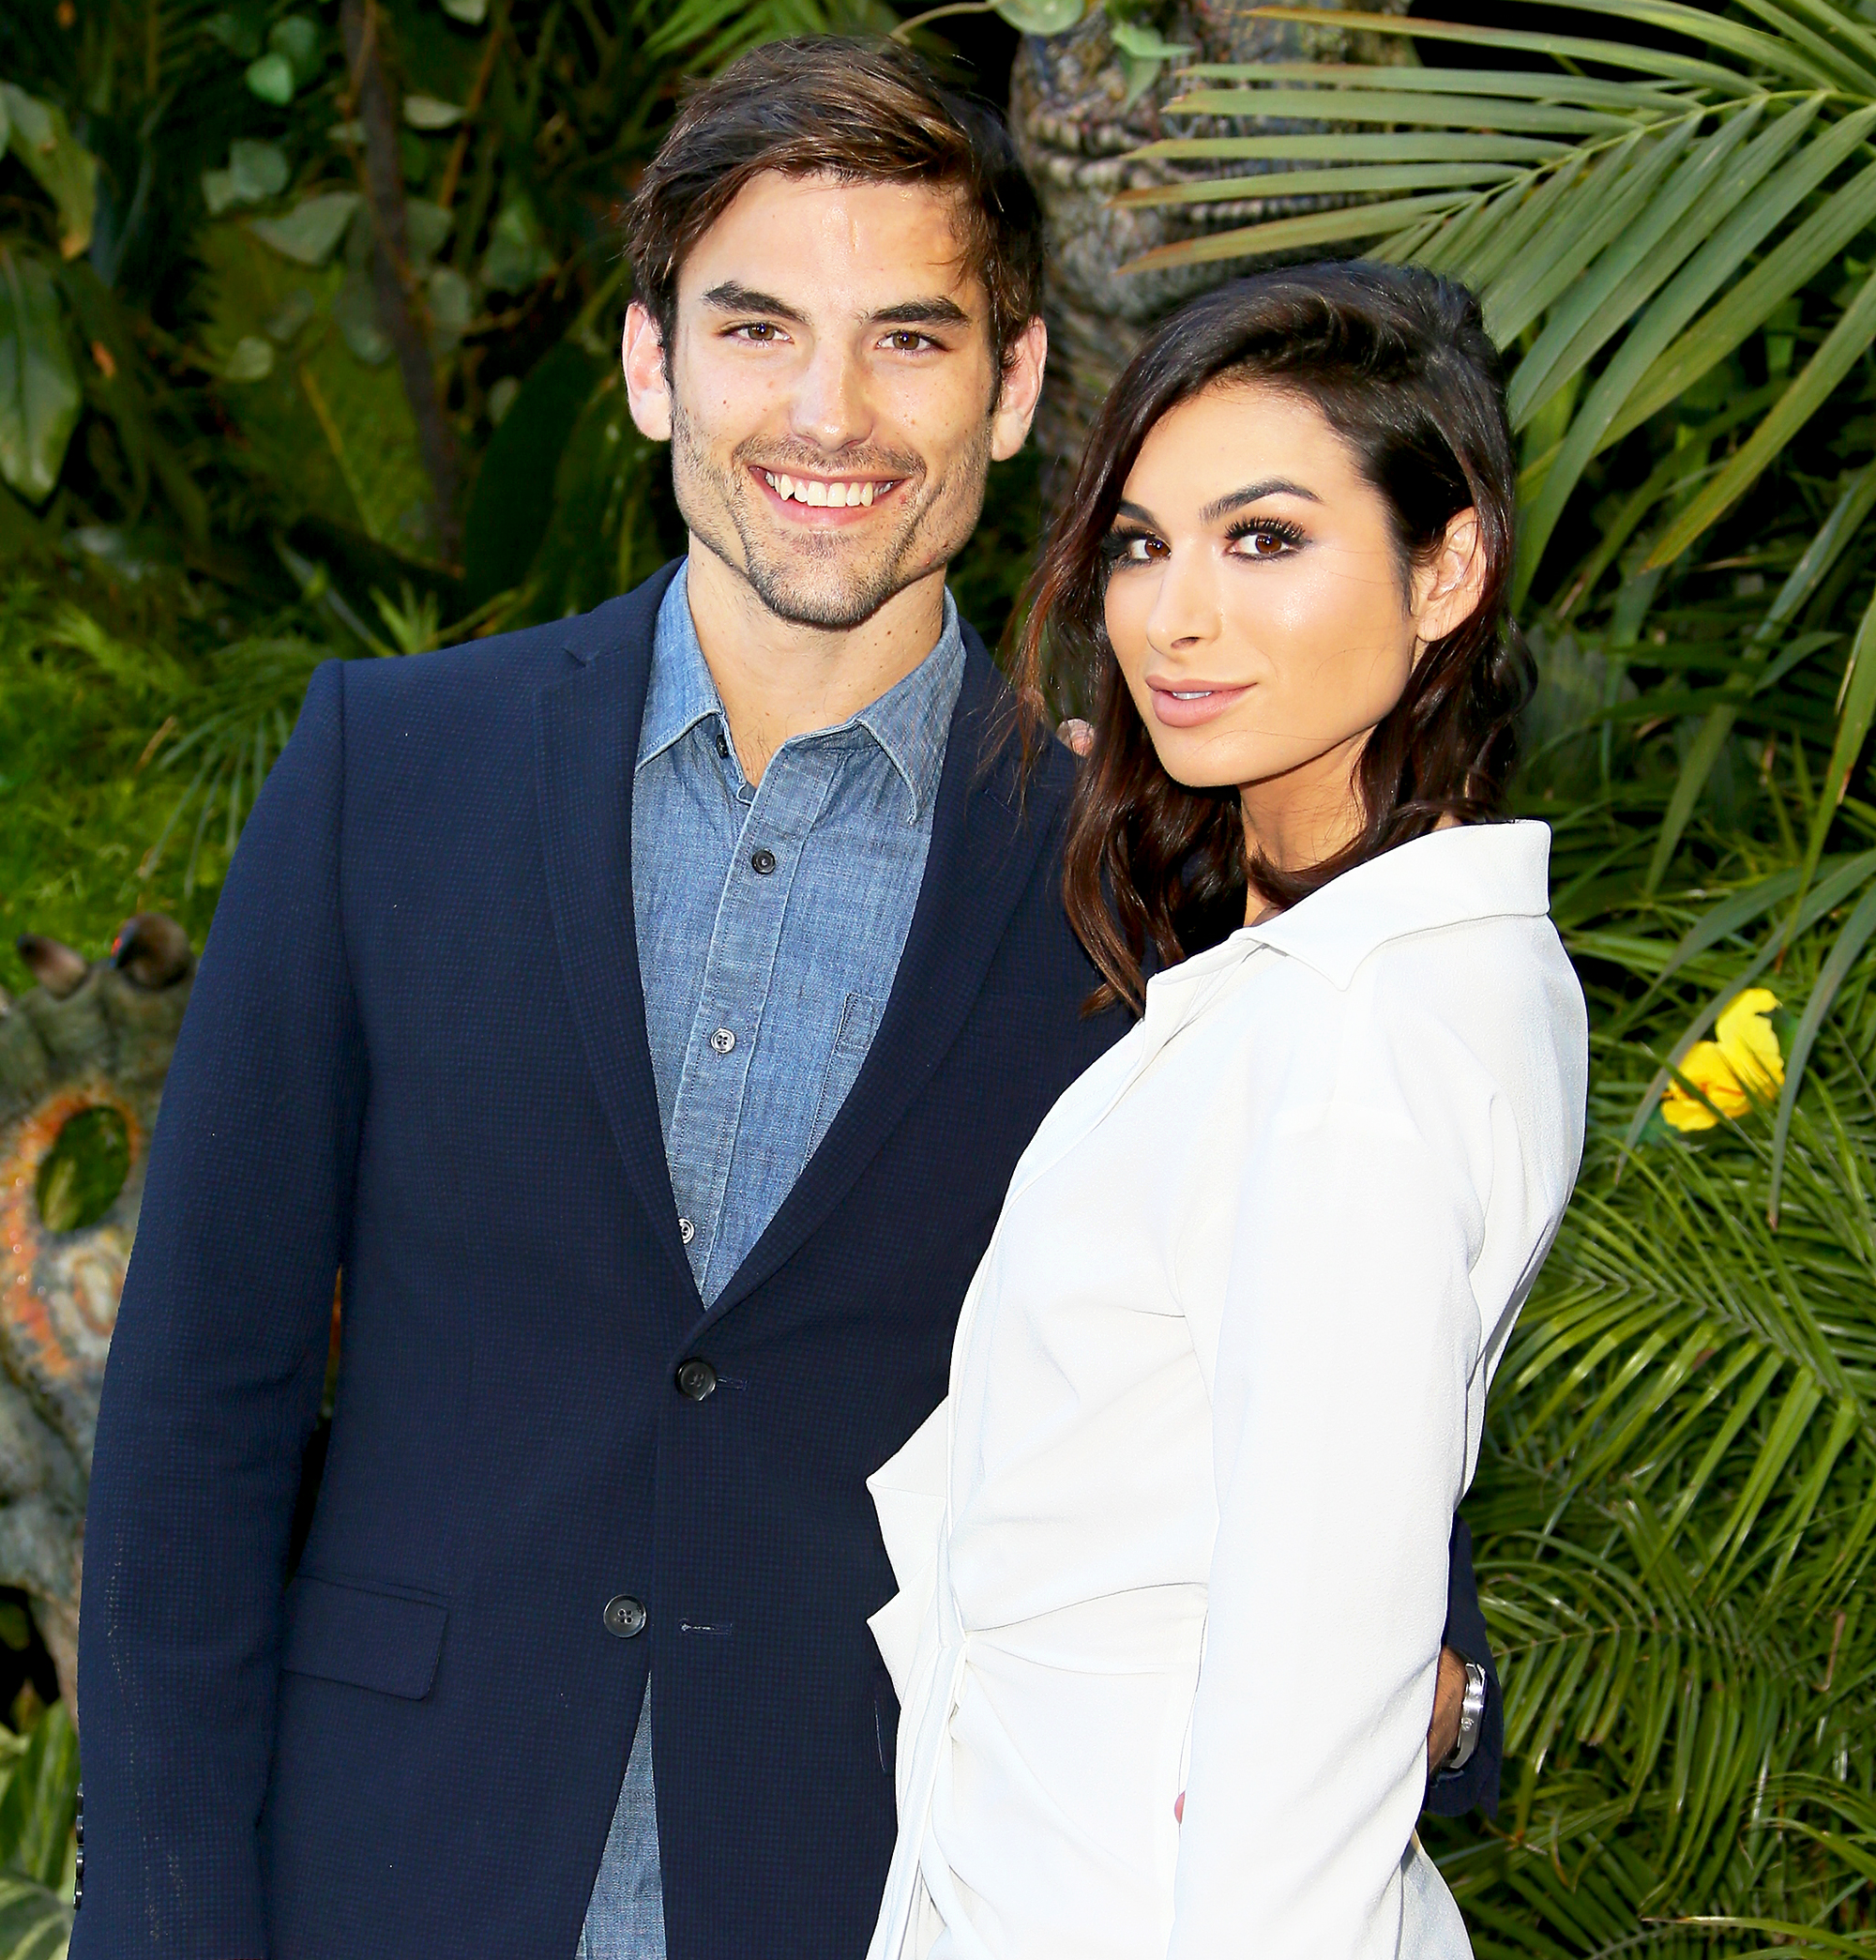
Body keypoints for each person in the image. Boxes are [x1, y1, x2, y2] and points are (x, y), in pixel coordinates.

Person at [72, 45, 1499, 1960]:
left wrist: (1437, 1692)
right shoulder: (388, 771)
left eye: (909, 340)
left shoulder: (1149, 880)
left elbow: (1330, 1388)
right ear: (655, 363)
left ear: (1010, 395)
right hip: (390, 1867)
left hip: (891, 1884)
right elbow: (193, 1427)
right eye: (758, 327)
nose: (829, 413)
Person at [865, 264, 1589, 1960]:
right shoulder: (1333, 964)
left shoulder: (1350, 1034)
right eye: (1139, 543)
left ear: (1449, 568)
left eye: (1265, 539)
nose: (1174, 618)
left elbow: (1319, 1683)